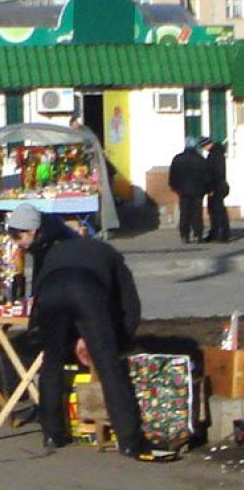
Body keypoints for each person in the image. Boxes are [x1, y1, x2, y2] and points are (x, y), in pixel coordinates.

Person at [30, 234, 150, 459]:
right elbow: (130, 305)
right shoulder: (112, 256)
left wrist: (74, 338)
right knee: (109, 366)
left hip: (50, 292)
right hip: (85, 291)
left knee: (51, 363)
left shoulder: (55, 252)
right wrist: (121, 340)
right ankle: (129, 440)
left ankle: (52, 433)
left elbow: (38, 292)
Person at [169, 137, 210, 244]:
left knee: (184, 212)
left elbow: (173, 175)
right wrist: (207, 189)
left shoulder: (178, 159)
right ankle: (198, 234)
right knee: (197, 213)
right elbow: (206, 176)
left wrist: (174, 187)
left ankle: (184, 235)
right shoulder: (200, 159)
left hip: (183, 191)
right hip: (198, 191)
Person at [201, 137, 230, 243]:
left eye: (204, 146)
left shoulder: (214, 155)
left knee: (217, 211)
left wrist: (211, 188)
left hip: (216, 187)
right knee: (215, 210)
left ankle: (222, 234)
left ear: (207, 144)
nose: (204, 149)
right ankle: (217, 233)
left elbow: (216, 173)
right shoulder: (217, 153)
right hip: (218, 186)